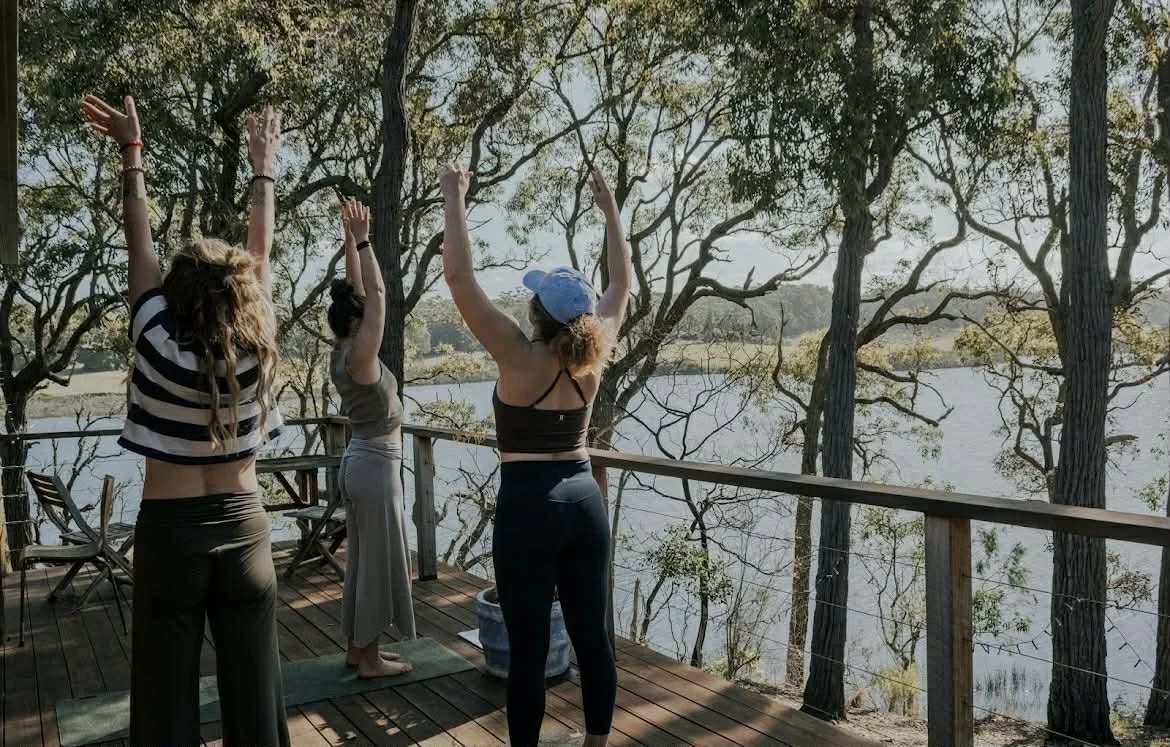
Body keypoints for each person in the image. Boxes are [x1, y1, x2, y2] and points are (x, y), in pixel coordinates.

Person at [81, 94, 289, 747]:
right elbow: (261, 253)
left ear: (175, 292)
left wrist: (132, 154)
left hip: (170, 537)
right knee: (256, 703)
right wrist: (263, 171)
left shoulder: (154, 337)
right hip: (245, 529)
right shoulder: (255, 353)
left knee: (164, 704)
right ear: (244, 294)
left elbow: (136, 242)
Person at [439, 162, 632, 747]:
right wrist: (611, 211)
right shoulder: (590, 360)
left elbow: (460, 279)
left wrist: (454, 196)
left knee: (527, 650)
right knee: (592, 640)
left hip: (529, 506)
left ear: (537, 314)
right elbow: (621, 284)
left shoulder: (517, 356)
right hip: (584, 502)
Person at [327, 198, 416, 678]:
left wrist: (349, 241)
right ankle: (371, 659)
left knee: (363, 560)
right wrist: (364, 240)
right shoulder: (361, 359)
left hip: (363, 462)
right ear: (356, 325)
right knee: (378, 562)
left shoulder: (342, 351)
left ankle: (356, 650)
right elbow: (378, 295)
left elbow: (362, 293)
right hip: (376, 467)